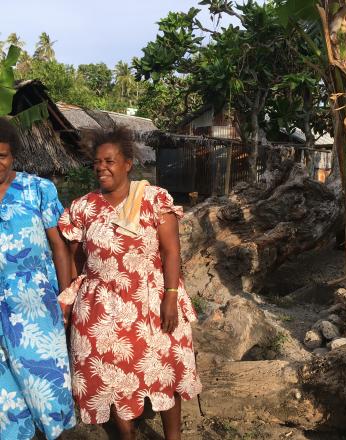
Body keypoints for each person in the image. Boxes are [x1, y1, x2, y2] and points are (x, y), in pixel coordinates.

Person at [58, 126, 202, 440]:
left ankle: (173, 437)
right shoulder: (83, 207)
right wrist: (76, 294)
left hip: (151, 298)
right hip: (100, 307)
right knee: (104, 374)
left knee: (164, 370)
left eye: (109, 161)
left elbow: (170, 250)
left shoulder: (152, 199)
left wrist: (170, 295)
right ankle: (127, 434)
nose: (101, 167)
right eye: (97, 162)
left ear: (127, 164)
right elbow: (73, 255)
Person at [0, 117, 76, 439]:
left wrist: (66, 297)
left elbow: (59, 248)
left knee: (47, 384)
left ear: (13, 155)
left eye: (1, 155)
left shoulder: (38, 189)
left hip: (35, 304)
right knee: (6, 398)